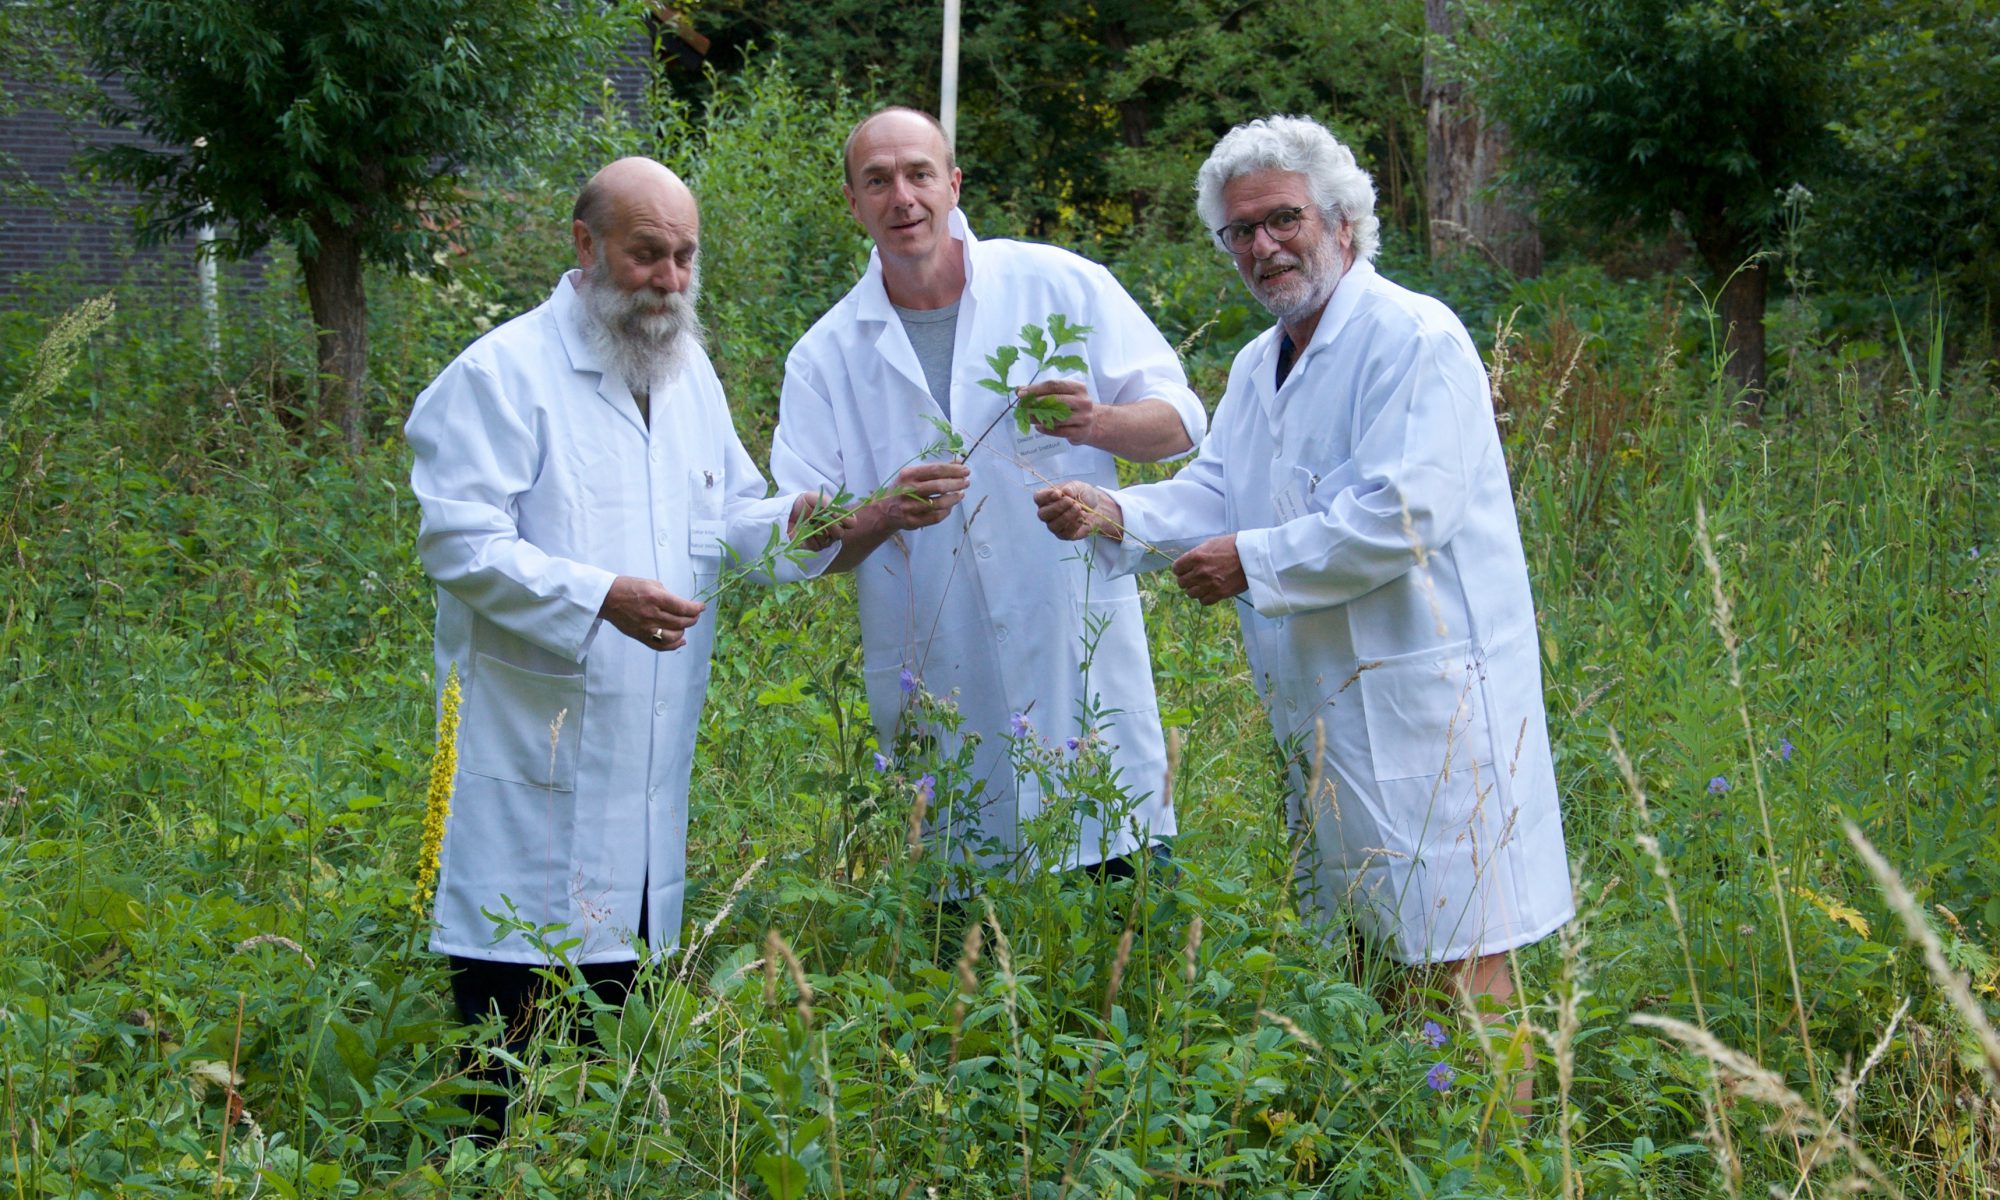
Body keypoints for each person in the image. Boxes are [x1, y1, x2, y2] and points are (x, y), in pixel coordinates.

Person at [1036, 115, 1574, 1008]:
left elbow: (1404, 514)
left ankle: (1498, 1152)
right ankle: (1411, 1141)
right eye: (1240, 231)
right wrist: (1114, 510)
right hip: (1327, 712)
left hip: (1427, 707)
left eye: (1282, 218)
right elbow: (1214, 490)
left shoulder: (1414, 339)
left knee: (1461, 955)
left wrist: (1250, 561)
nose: (1264, 245)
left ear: (1343, 220)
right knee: (1368, 952)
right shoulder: (1258, 365)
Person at [405, 157, 831, 1129]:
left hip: (639, 783)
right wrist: (598, 597)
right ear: (584, 245)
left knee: (604, 1077)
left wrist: (816, 521)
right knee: (506, 1074)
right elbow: (459, 545)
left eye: (684, 257)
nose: (669, 281)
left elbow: (722, 524)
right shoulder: (498, 375)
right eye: (647, 255)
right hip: (526, 769)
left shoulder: (687, 376)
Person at [769, 107, 1207, 882]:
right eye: (878, 181)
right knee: (964, 920)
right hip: (941, 677)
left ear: (954, 183)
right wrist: (881, 512)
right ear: (852, 201)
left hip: (1077, 666)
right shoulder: (826, 356)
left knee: (1120, 908)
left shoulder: (1061, 286)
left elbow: (1181, 424)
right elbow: (802, 543)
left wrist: (1097, 422)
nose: (902, 196)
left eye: (919, 174)